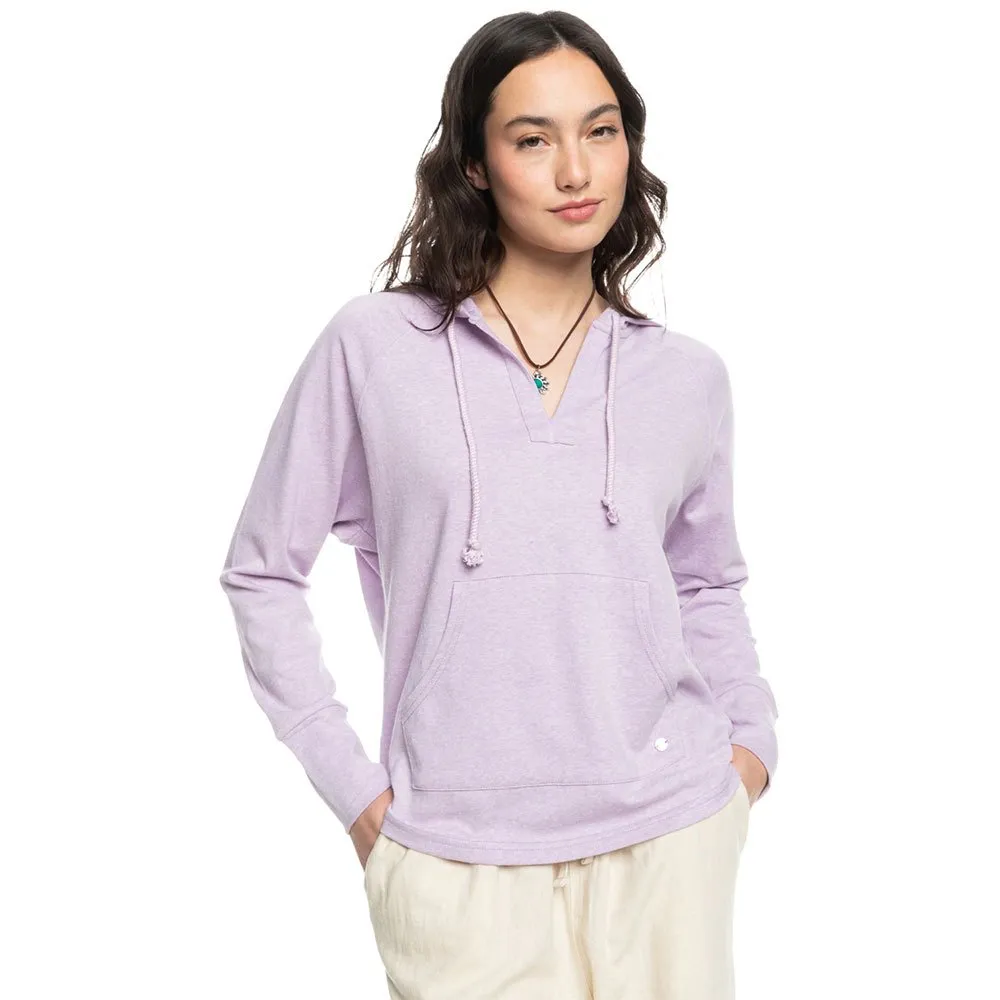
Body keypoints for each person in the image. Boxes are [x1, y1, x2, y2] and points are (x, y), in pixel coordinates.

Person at [219, 10, 778, 999]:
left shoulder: (687, 377)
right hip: (453, 856)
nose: (577, 170)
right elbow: (262, 571)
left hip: (672, 837)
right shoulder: (375, 347)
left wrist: (749, 750)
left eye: (601, 131)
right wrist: (356, 794)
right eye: (533, 139)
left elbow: (707, 584)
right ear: (475, 164)